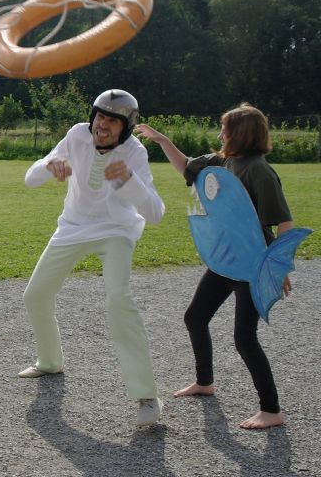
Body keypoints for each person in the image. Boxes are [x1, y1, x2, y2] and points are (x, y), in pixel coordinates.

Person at [135, 104, 295, 430]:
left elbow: (285, 223)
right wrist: (162, 140)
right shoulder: (224, 161)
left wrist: (278, 269)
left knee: (244, 338)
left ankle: (271, 409)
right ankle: (205, 383)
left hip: (251, 264)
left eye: (225, 128)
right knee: (195, 317)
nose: (220, 134)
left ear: (241, 133)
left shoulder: (259, 171)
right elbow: (186, 167)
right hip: (225, 260)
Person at [19, 89, 166, 427]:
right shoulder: (75, 135)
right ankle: (50, 361)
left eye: (112, 121)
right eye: (100, 116)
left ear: (125, 127)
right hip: (72, 227)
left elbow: (155, 212)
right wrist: (48, 164)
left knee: (119, 300)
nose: (103, 125)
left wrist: (128, 180)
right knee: (35, 294)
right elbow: (31, 178)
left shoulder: (134, 152)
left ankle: (147, 396)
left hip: (116, 230)